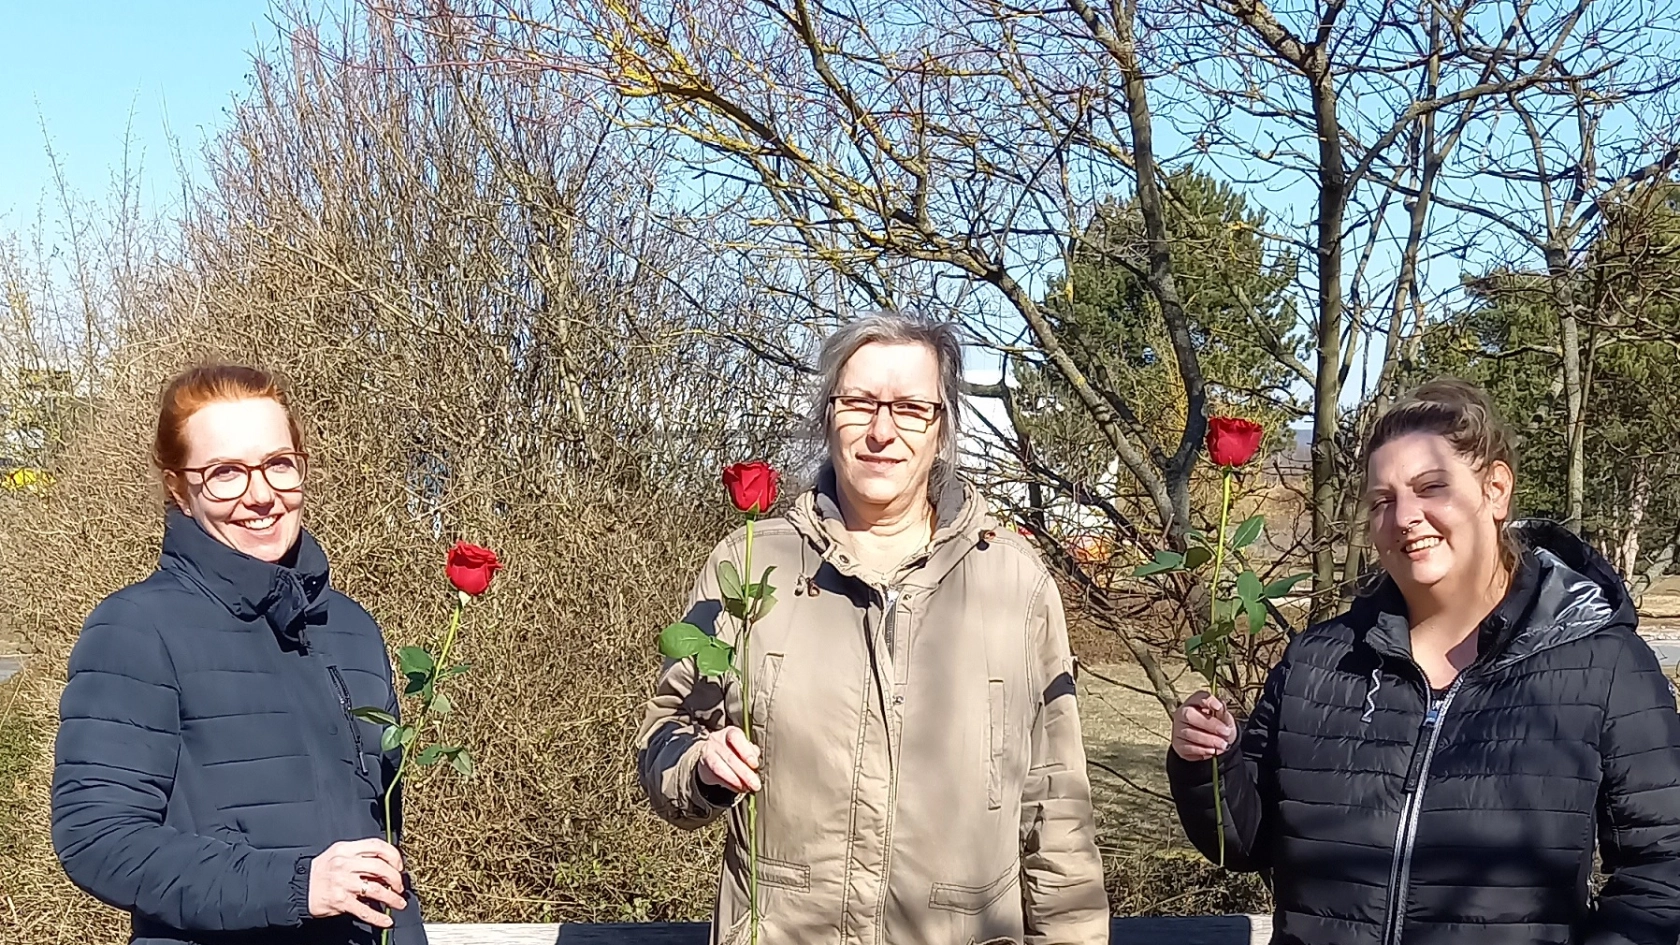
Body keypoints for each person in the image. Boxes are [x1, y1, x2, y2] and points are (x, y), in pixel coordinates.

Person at [636, 313, 1109, 945]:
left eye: (911, 407)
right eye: (859, 403)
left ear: (941, 428)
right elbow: (664, 733)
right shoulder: (749, 565)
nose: (882, 431)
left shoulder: (1014, 585)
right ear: (827, 416)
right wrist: (701, 766)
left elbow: (1058, 809)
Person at [1168, 378, 1680, 945]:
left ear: (1496, 491)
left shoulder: (1602, 665)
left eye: (1430, 487)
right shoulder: (1318, 664)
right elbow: (1243, 842)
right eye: (1382, 500)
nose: (1404, 516)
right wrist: (1205, 761)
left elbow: (1664, 869)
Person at [51, 364, 426, 945]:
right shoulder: (135, 629)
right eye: (224, 472)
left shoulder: (350, 628)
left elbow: (380, 838)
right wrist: (297, 885)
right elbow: (98, 839)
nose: (260, 495)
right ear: (178, 487)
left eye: (279, 464)